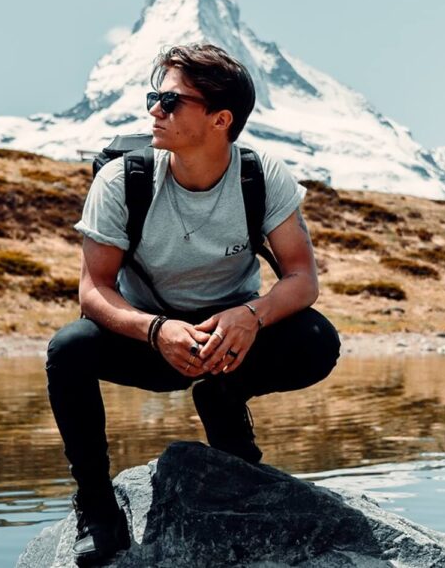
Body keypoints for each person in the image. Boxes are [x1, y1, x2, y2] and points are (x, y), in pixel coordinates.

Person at [46, 43, 340, 566]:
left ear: (220, 119)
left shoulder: (262, 175)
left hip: (233, 340)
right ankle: (95, 503)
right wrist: (157, 330)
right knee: (69, 349)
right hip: (152, 339)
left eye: (171, 101)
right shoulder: (121, 180)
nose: (154, 110)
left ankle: (224, 398)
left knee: (317, 342)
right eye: (153, 98)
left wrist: (251, 316)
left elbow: (301, 278)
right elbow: (93, 291)